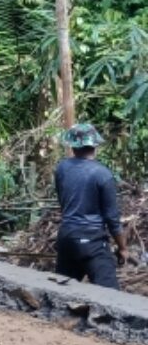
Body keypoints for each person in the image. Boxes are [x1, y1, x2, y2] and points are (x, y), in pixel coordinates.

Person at [54, 123, 126, 289]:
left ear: (72, 146)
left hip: (66, 237)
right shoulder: (103, 174)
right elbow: (112, 218)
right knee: (110, 295)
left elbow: (62, 201)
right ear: (95, 145)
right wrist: (122, 248)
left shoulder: (62, 168)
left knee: (62, 290)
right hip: (92, 241)